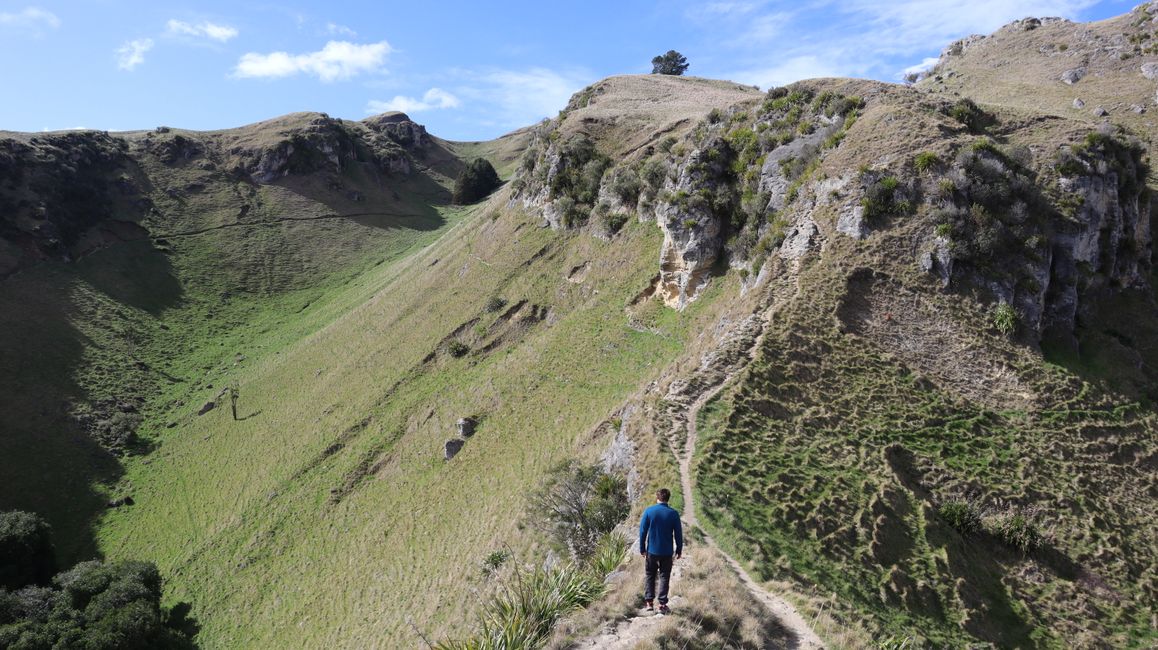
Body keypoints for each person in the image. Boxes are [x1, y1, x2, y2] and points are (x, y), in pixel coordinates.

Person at [638, 488, 683, 614]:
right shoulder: (673, 514)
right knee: (664, 576)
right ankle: (662, 604)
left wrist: (642, 548)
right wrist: (679, 549)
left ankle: (649, 603)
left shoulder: (649, 511)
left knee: (650, 575)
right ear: (668, 498)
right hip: (667, 552)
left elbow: (642, 532)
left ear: (657, 498)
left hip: (652, 551)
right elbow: (678, 533)